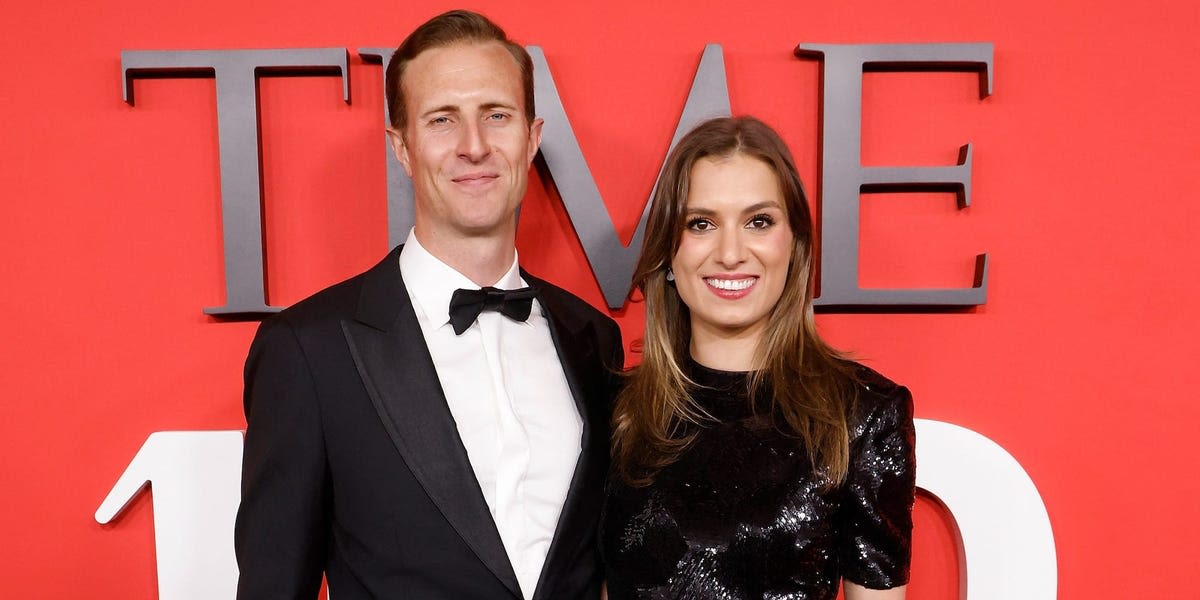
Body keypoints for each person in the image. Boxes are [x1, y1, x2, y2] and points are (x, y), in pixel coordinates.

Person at [234, 10, 623, 600]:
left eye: (497, 115)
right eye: (443, 120)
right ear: (403, 147)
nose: (474, 146)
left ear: (532, 136)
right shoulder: (308, 350)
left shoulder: (591, 337)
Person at [601, 116, 915, 600]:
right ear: (667, 251)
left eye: (759, 222)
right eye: (701, 224)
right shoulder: (616, 409)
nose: (730, 253)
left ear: (795, 245)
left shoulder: (862, 414)